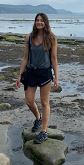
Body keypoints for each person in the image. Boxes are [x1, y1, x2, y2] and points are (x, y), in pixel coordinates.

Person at [16, 13, 59, 144]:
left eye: (41, 20)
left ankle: (44, 131)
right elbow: (25, 57)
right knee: (29, 101)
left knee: (44, 102)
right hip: (31, 72)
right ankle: (38, 118)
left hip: (45, 73)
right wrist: (19, 75)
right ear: (35, 22)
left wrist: (56, 77)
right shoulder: (29, 37)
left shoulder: (51, 38)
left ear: (46, 23)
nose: (39, 22)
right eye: (37, 20)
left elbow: (54, 58)